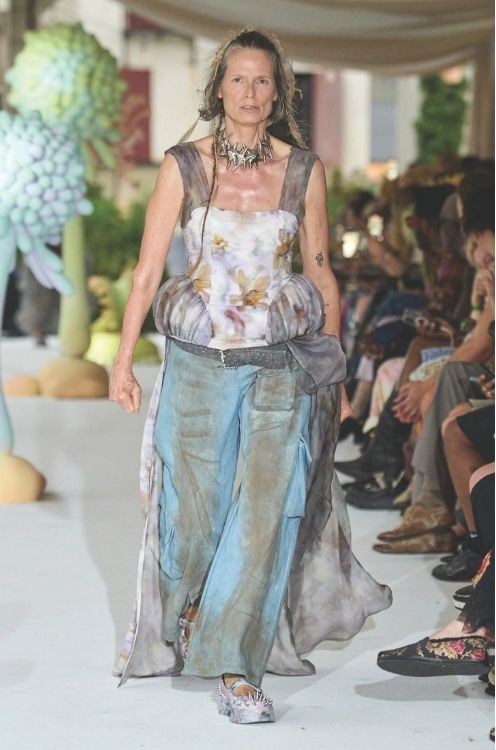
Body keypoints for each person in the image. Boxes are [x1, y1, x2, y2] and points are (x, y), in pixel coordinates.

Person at [108, 27, 390, 724]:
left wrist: (334, 367)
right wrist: (120, 359)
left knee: (267, 512)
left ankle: (239, 668)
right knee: (192, 518)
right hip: (199, 365)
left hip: (279, 366)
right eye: (238, 79)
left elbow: (320, 269)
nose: (251, 93)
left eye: (264, 81)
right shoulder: (184, 167)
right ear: (218, 88)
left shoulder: (303, 170)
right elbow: (148, 271)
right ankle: (193, 611)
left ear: (279, 91)